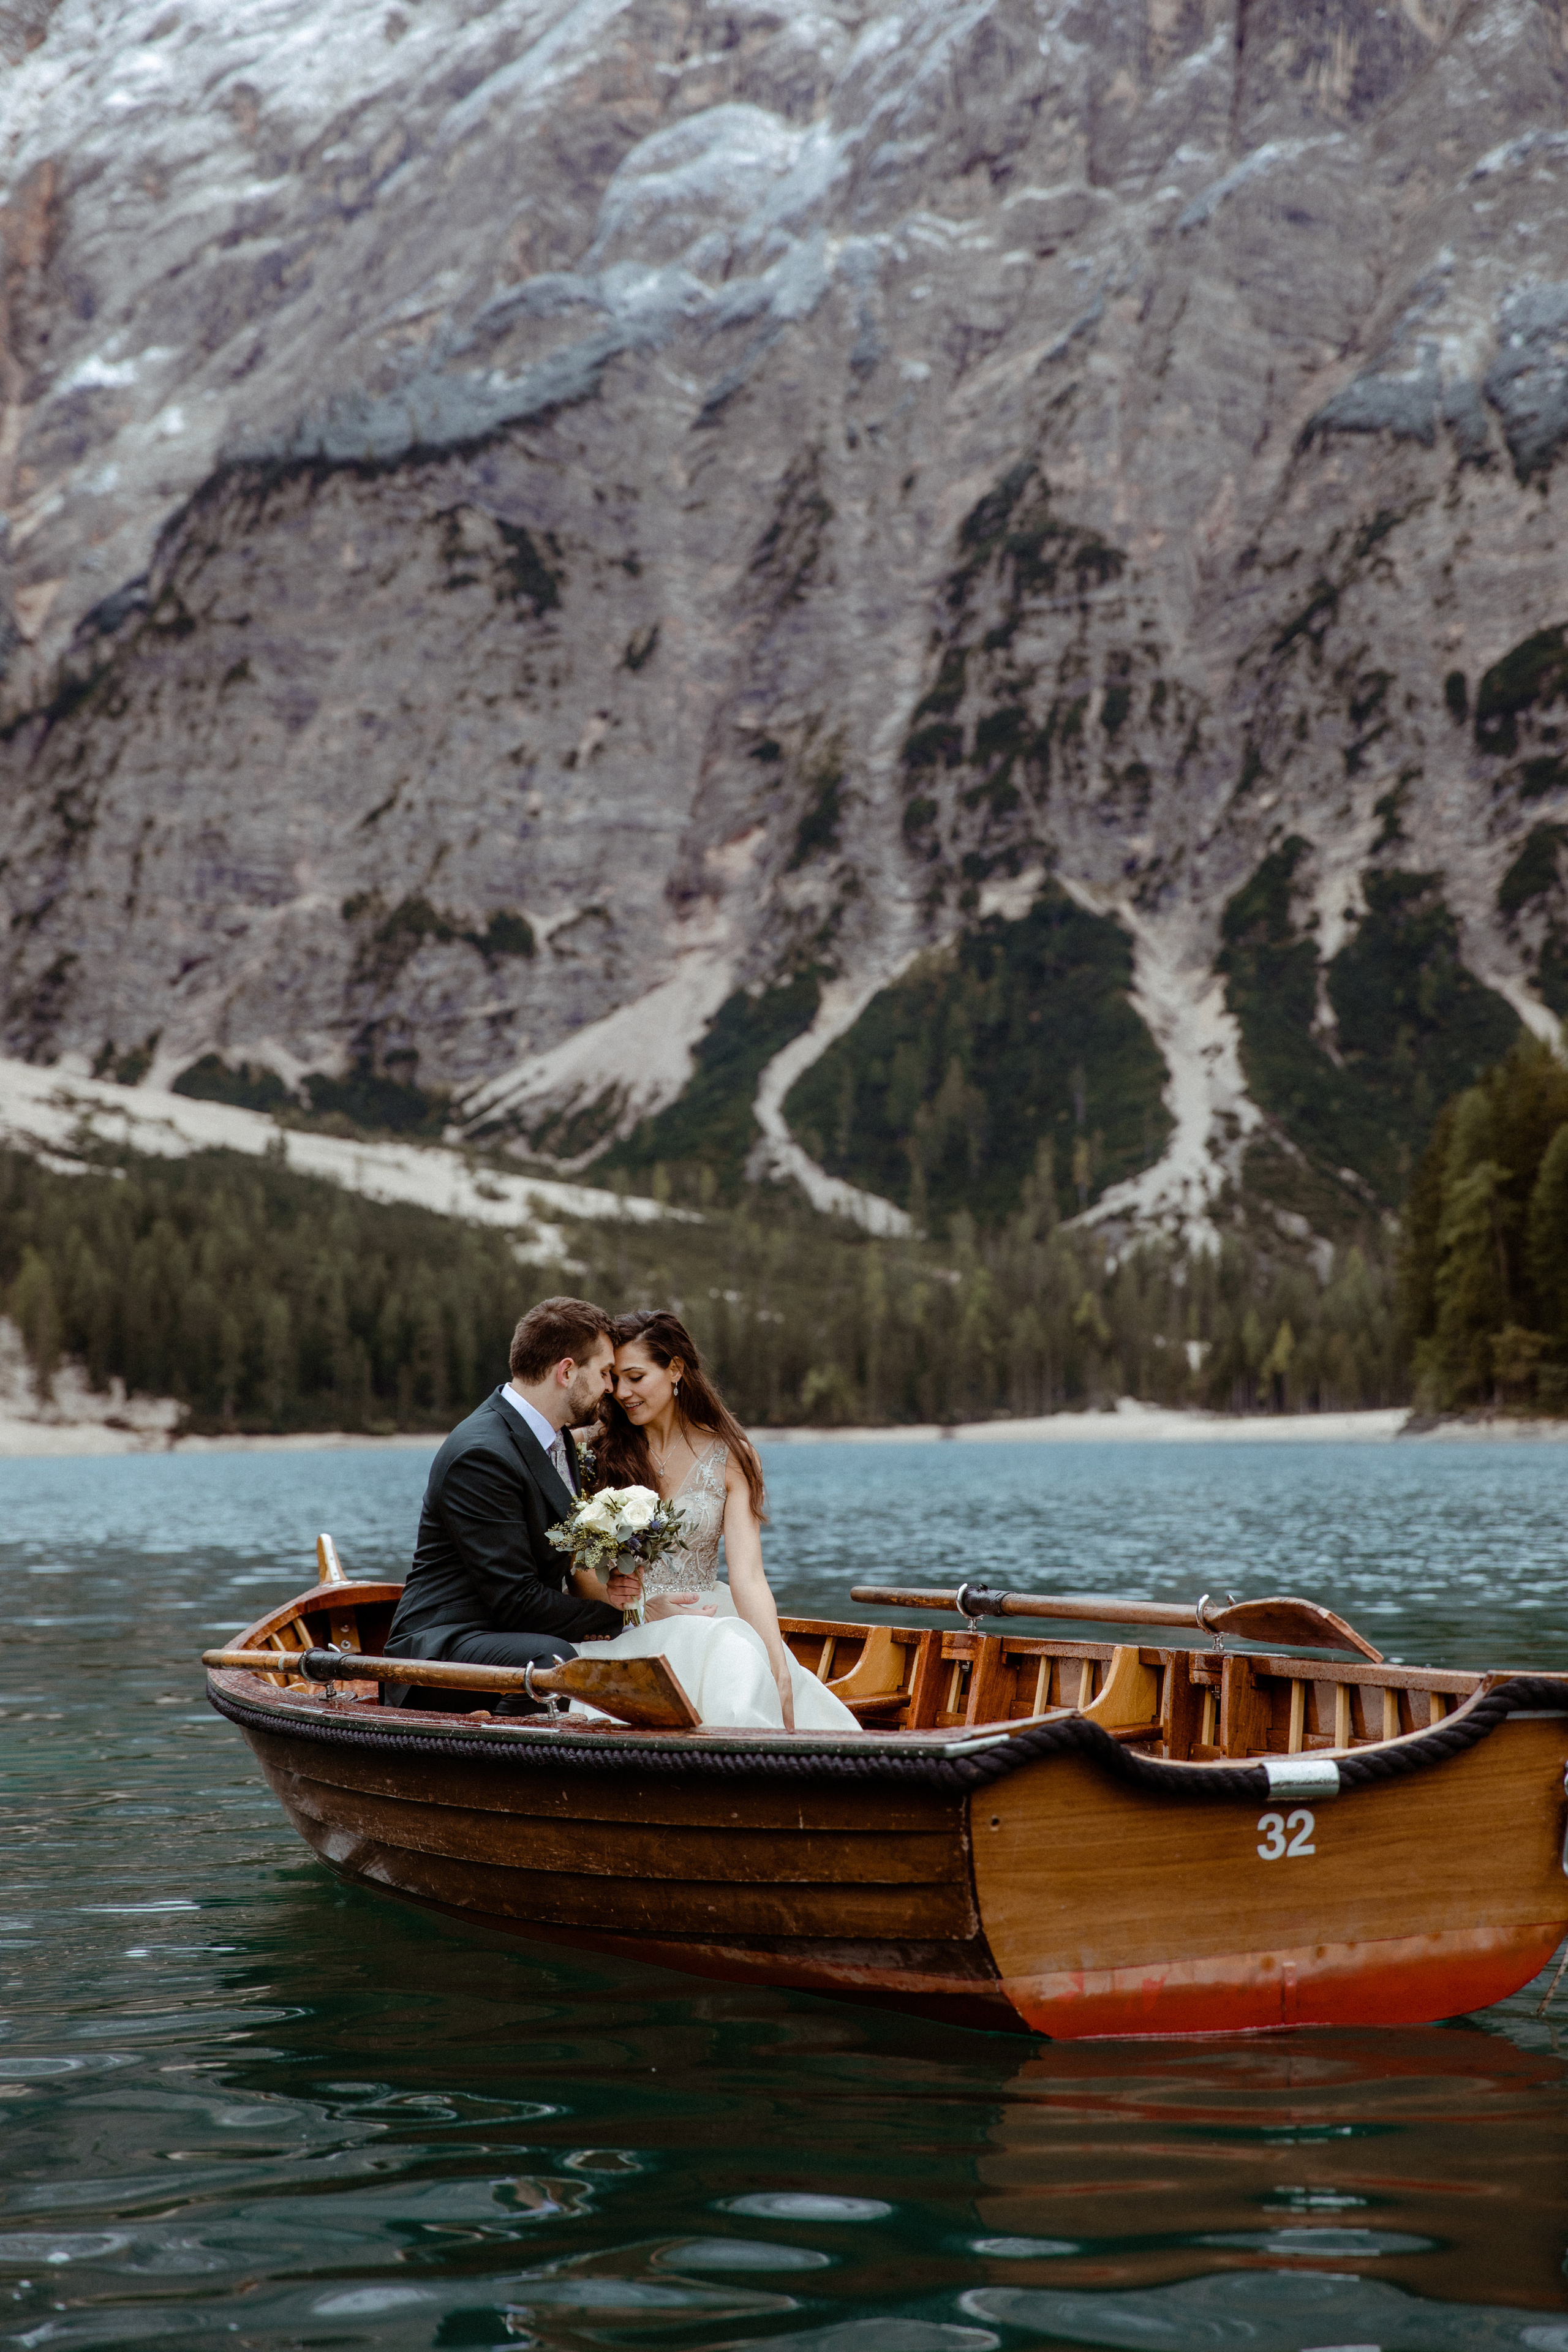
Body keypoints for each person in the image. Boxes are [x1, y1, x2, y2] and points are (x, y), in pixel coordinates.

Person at [570, 1310, 860, 1735]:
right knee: (718, 1649)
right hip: (622, 1626)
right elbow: (576, 1572)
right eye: (615, 1379)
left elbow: (749, 1577)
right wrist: (637, 1602)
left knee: (736, 1654)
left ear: (675, 1369)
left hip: (709, 1613)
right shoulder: (589, 1449)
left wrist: (779, 1668)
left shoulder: (732, 1456)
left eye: (636, 1377)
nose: (622, 1393)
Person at [383, 1295, 641, 1713]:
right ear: (567, 1371)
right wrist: (625, 1618)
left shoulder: (558, 1441)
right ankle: (509, 1761)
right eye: (606, 1373)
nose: (611, 1387)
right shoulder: (482, 1455)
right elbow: (515, 1602)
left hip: (506, 1635)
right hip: (444, 1648)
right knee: (552, 1661)